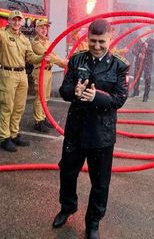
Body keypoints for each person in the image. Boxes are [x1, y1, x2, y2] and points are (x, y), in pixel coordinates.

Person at [53, 19, 129, 239]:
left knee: (100, 181)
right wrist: (73, 91)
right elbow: (64, 89)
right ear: (87, 38)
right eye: (92, 41)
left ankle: (93, 222)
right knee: (67, 172)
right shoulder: (76, 60)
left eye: (101, 41)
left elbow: (119, 99)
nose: (96, 46)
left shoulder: (119, 65)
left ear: (110, 39)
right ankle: (67, 207)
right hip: (75, 130)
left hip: (101, 134)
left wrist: (97, 97)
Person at [0, 10, 44, 152]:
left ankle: (14, 134)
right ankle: (5, 138)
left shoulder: (24, 39)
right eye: (14, 20)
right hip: (8, 74)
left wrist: (43, 57)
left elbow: (31, 58)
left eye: (19, 20)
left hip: (22, 75)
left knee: (19, 107)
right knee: (7, 107)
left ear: (21, 22)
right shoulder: (3, 34)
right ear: (9, 21)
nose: (16, 22)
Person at [30, 19, 67, 133]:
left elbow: (54, 55)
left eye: (46, 27)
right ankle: (38, 121)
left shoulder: (47, 41)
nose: (44, 29)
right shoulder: (35, 42)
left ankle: (43, 117)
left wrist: (63, 63)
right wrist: (63, 62)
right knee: (40, 97)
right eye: (42, 27)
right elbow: (49, 56)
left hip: (48, 71)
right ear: (36, 29)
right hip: (40, 72)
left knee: (45, 97)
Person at [131, 38, 154, 102]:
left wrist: (147, 47)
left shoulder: (151, 40)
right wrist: (138, 54)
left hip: (147, 63)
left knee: (147, 78)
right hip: (138, 62)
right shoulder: (138, 40)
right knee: (136, 77)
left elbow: (153, 49)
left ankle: (146, 96)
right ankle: (135, 92)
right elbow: (133, 50)